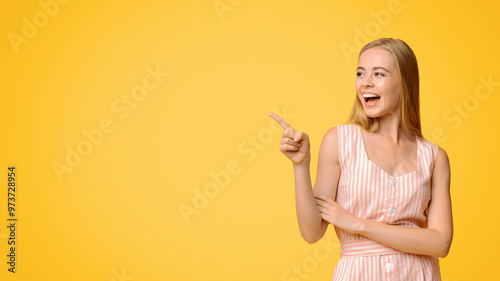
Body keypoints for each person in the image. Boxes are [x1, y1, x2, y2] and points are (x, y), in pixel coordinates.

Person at [268, 38, 452, 280]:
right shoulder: (339, 141)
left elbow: (440, 243)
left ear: (404, 83)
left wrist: (358, 224)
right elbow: (312, 232)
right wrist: (301, 166)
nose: (365, 83)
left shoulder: (434, 157)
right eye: (360, 73)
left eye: (378, 74)